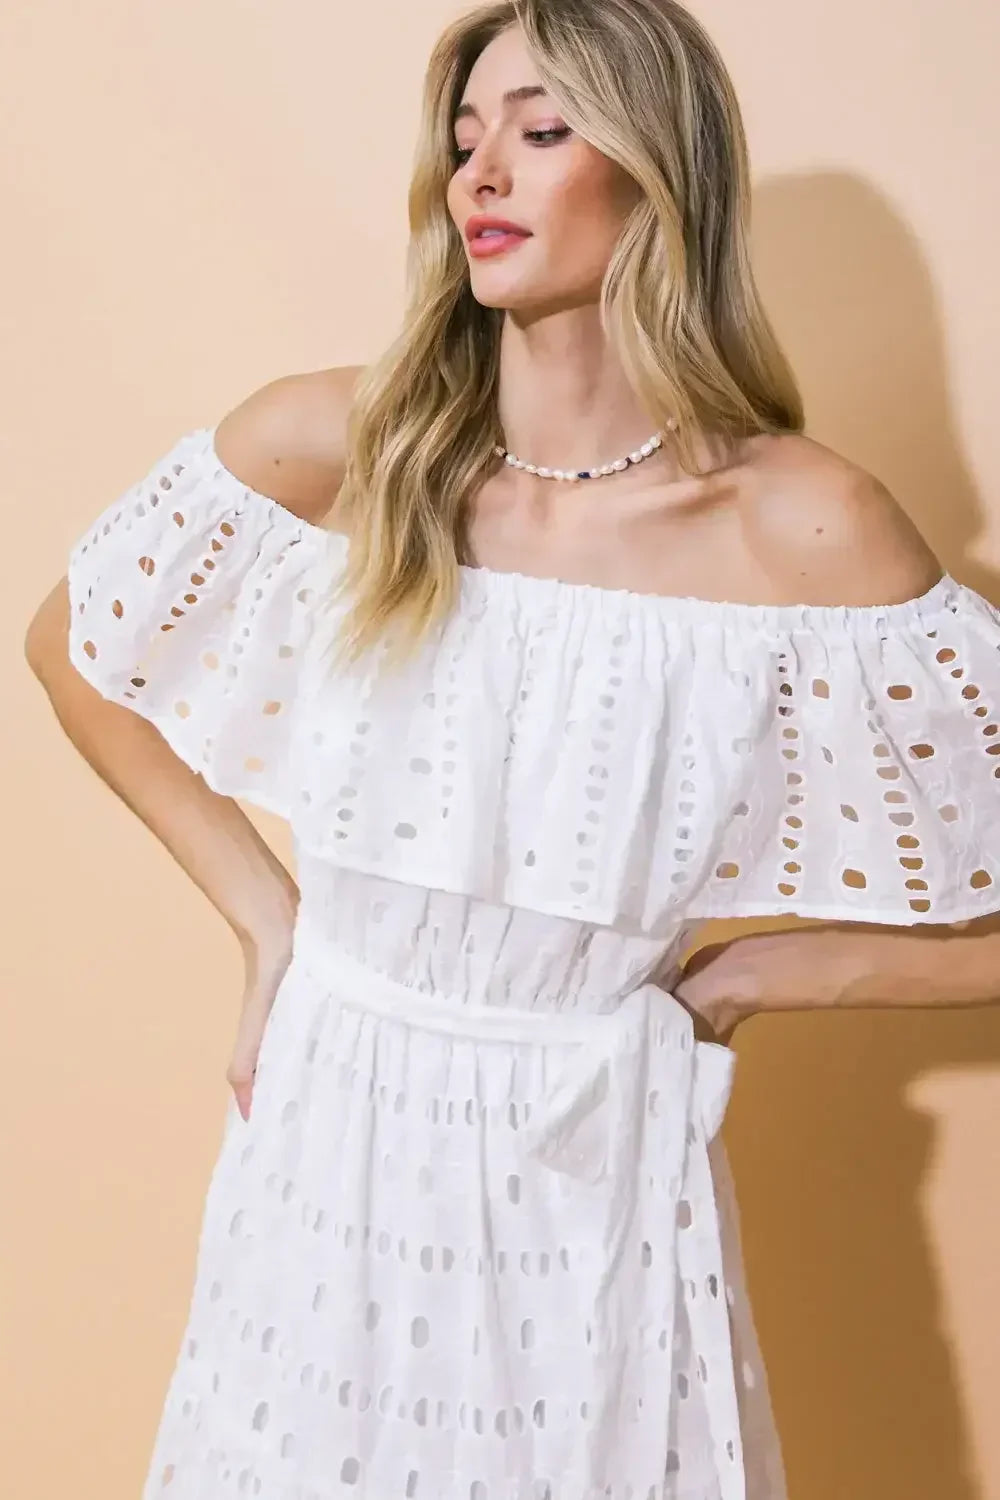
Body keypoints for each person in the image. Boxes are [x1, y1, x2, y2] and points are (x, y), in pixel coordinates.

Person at [24, 1, 1000, 1497]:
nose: (480, 173)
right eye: (466, 135)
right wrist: (270, 920)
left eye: (540, 133)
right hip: (327, 1150)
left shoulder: (797, 527)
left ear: (660, 175)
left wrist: (767, 971)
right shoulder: (346, 444)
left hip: (593, 1163)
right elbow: (75, 638)